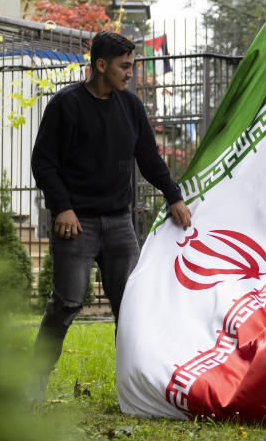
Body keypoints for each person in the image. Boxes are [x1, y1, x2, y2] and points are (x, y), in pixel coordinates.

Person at [30, 31, 192, 391]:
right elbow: (43, 163)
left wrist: (173, 195)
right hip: (77, 225)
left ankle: (136, 385)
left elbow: (149, 159)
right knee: (67, 303)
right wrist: (63, 208)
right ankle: (35, 380)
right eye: (125, 66)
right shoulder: (66, 105)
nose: (130, 73)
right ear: (100, 65)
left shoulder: (130, 106)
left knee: (131, 308)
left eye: (131, 66)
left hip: (119, 224)